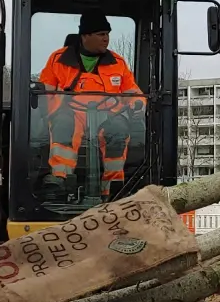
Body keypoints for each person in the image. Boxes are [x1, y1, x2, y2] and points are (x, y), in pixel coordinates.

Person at [38, 10, 146, 201]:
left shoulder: (118, 63)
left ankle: (113, 188)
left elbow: (132, 91)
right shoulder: (58, 60)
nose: (106, 39)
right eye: (101, 34)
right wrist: (49, 110)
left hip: (109, 115)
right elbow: (43, 92)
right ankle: (60, 178)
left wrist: (138, 103)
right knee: (64, 124)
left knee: (119, 130)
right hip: (71, 113)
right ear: (85, 36)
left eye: (107, 34)